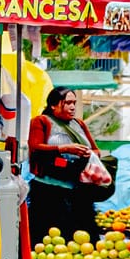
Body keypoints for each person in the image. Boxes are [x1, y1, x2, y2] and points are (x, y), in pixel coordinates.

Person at [28, 82, 109, 237]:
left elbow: (96, 150)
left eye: (74, 103)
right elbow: (35, 146)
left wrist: (89, 154)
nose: (72, 107)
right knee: (48, 235)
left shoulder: (79, 124)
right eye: (67, 103)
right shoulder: (41, 122)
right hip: (48, 189)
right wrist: (64, 148)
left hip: (78, 189)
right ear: (53, 105)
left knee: (83, 234)